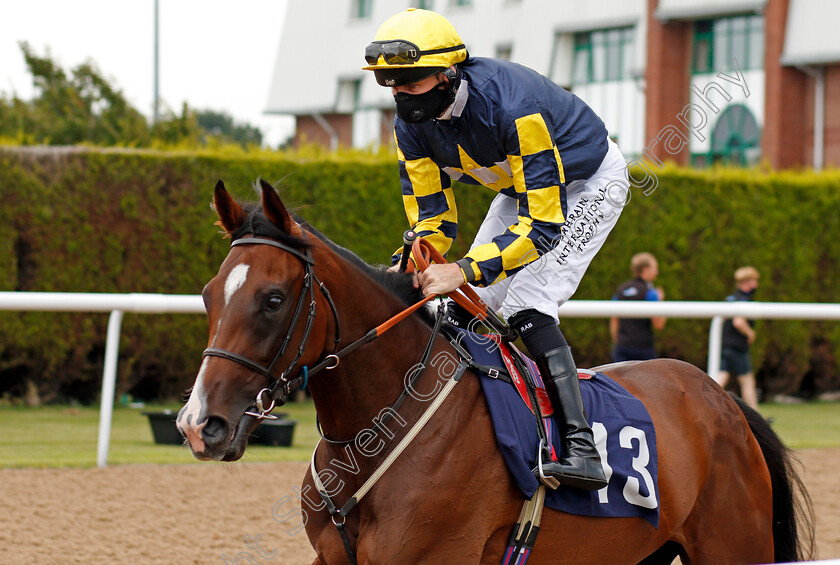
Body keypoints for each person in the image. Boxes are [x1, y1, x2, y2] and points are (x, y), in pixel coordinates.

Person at [364, 8, 629, 491]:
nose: (399, 93)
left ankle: (582, 447)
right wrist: (413, 259)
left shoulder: (513, 108)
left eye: (409, 80)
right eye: (389, 82)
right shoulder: (410, 127)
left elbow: (543, 227)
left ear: (447, 74)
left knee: (528, 304)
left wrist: (462, 269)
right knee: (470, 308)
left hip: (589, 183)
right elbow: (433, 220)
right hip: (524, 191)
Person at [715, 266, 760, 409]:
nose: (756, 285)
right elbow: (738, 321)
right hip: (738, 347)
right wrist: (750, 333)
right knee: (747, 382)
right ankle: (756, 416)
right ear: (747, 281)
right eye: (754, 281)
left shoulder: (731, 298)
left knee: (719, 379)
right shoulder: (744, 300)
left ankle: (700, 403)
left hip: (726, 345)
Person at [610, 252, 666, 362]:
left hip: (622, 348)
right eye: (655, 268)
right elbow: (659, 325)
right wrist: (660, 300)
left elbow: (614, 320)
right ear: (645, 269)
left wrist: (617, 344)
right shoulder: (650, 293)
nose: (657, 272)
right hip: (643, 350)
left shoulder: (621, 290)